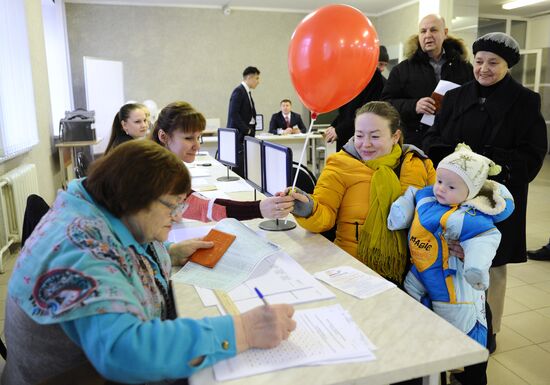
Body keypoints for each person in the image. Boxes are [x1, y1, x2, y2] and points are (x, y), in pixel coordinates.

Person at [2, 140, 296, 385]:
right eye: (172, 205)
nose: (177, 214)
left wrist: (169, 253)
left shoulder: (95, 207)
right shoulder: (83, 251)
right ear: (134, 199)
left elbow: (122, 254)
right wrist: (243, 330)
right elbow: (127, 352)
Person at [423, 32, 548, 353]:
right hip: (451, 196)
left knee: (491, 263)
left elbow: (533, 155)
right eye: (479, 61)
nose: (484, 68)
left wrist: (486, 163)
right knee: (449, 257)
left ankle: (488, 332)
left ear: (508, 66)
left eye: (494, 63)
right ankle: (448, 322)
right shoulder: (454, 97)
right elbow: (433, 140)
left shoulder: (525, 101)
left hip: (496, 199)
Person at [388, 144, 514, 385]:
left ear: (471, 191)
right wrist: (399, 213)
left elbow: (485, 238)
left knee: (460, 332)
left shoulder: (467, 215)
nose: (441, 189)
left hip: (453, 282)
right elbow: (413, 197)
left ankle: (465, 374)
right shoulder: (428, 195)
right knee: (422, 331)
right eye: (439, 182)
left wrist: (475, 264)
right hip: (419, 274)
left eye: (451, 186)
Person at [289, 101, 436, 284]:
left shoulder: (419, 164)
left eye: (375, 136)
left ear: (395, 136)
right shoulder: (340, 164)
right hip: (355, 271)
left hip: (413, 276)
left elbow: (437, 215)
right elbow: (324, 214)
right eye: (359, 135)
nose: (365, 144)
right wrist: (307, 208)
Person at [152, 101, 296, 222]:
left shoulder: (163, 164)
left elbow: (188, 201)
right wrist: (259, 208)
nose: (197, 146)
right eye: (188, 138)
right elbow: (201, 208)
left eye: (198, 137)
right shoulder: (157, 172)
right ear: (163, 136)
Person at [381, 14, 473, 149]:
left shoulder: (464, 68)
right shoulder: (402, 70)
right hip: (415, 143)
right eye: (423, 31)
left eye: (433, 30)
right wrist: (414, 106)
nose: (428, 35)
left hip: (454, 141)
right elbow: (385, 104)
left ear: (445, 33)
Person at [324, 49, 387, 151]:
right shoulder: (352, 76)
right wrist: (334, 126)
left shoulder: (374, 78)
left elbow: (366, 113)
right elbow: (344, 111)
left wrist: (339, 130)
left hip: (360, 141)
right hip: (346, 140)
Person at [227, 66, 260, 177]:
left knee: (246, 165)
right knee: (239, 167)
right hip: (240, 135)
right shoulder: (239, 91)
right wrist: (247, 130)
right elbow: (234, 114)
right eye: (256, 78)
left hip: (245, 134)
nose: (258, 82)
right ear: (249, 77)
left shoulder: (246, 92)